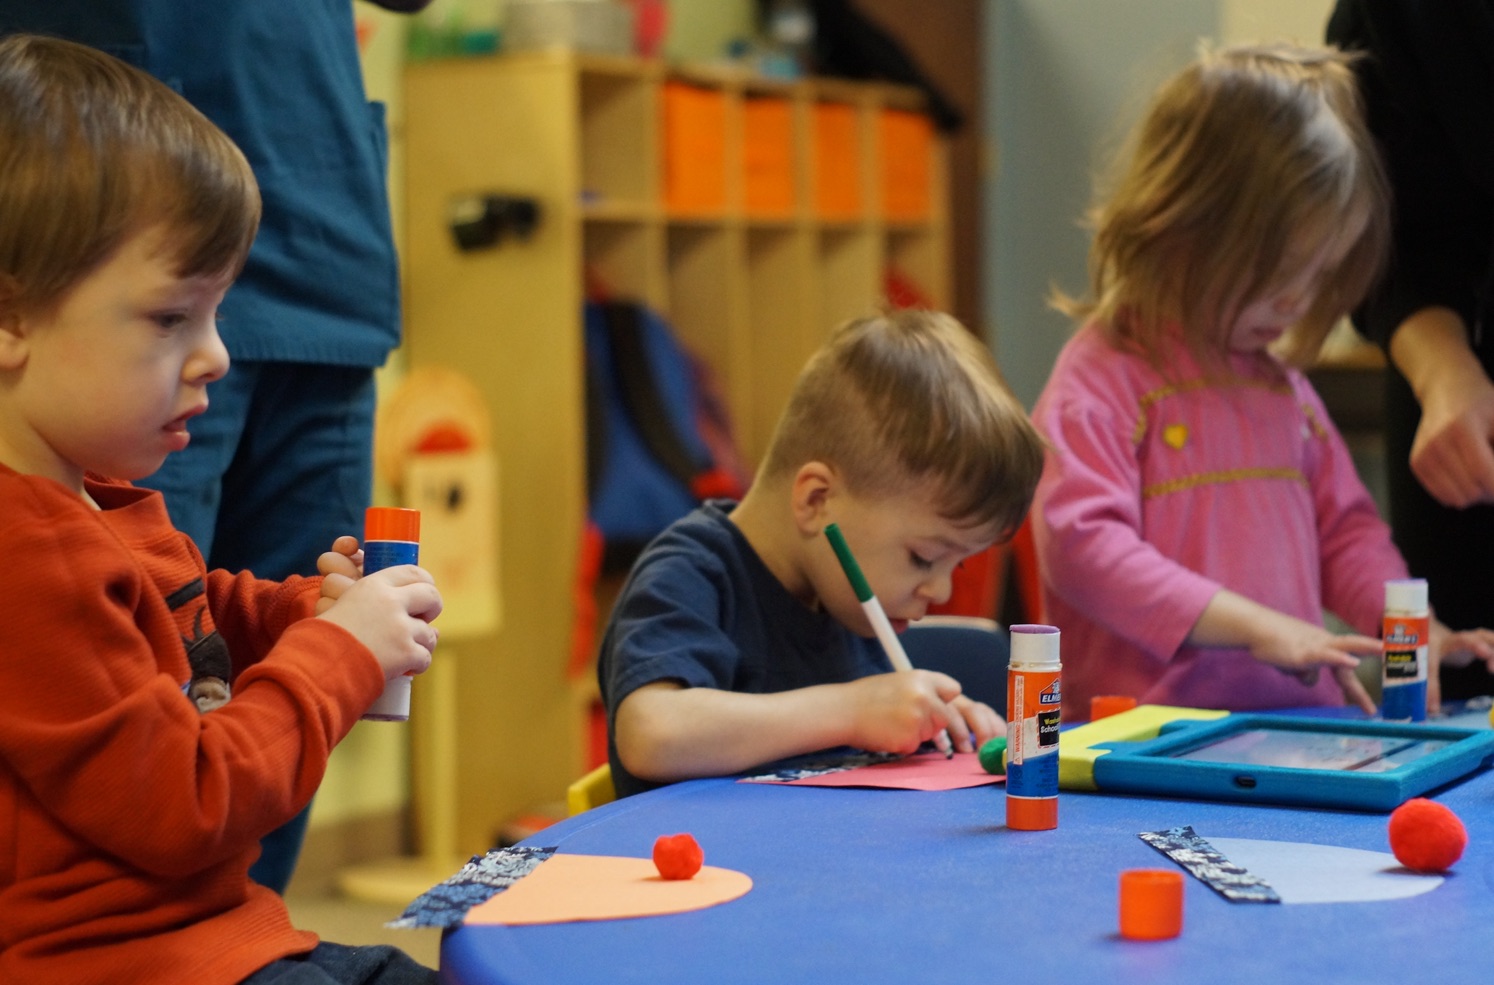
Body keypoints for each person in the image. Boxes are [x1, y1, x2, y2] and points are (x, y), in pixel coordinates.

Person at [0, 35, 442, 983]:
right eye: (171, 319)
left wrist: (299, 614)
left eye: (216, 314)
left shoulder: (99, 503)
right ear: (10, 321)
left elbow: (188, 619)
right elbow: (191, 799)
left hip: (223, 939)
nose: (217, 356)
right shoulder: (27, 554)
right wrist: (341, 656)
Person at [1029, 42, 1494, 718]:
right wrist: (1257, 625)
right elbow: (1081, 547)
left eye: (1317, 277)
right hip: (1142, 739)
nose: (1298, 304)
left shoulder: (1285, 390)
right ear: (1187, 226)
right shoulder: (1103, 378)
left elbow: (1348, 534)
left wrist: (1414, 633)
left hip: (1293, 728)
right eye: (1280, 272)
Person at [598, 308, 1046, 798]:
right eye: (923, 557)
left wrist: (936, 724)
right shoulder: (692, 574)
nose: (940, 590)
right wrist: (853, 713)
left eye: (955, 564)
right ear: (817, 500)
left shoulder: (844, 602)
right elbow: (651, 734)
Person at [1326, 0, 1494, 702]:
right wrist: (1446, 370)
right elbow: (1400, 244)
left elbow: (1344, 536)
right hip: (1467, 393)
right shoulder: (1407, 20)